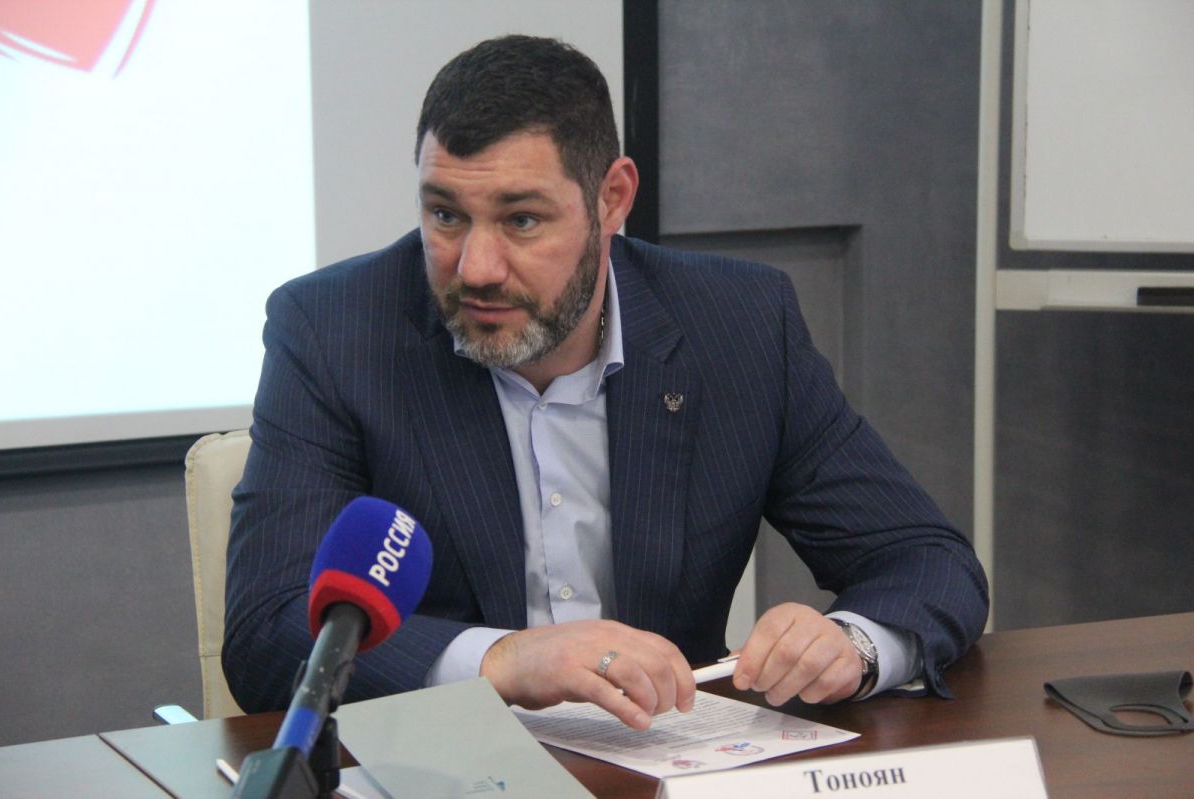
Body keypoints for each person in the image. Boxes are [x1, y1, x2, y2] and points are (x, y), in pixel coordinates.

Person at [224, 34, 988, 730]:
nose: (476, 267)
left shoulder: (740, 325)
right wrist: (501, 661)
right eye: (445, 215)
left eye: (522, 220)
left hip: (664, 759)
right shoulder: (334, 331)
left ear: (613, 198)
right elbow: (267, 630)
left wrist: (852, 643)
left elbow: (926, 558)